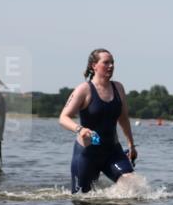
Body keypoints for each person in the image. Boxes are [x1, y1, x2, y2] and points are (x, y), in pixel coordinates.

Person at [58, 49, 138, 193]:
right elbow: (63, 117)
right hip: (87, 153)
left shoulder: (118, 88)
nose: (111, 66)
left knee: (132, 186)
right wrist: (80, 129)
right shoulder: (84, 90)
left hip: (113, 151)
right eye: (106, 62)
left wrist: (131, 145)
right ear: (94, 66)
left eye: (112, 62)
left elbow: (124, 118)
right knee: (82, 200)